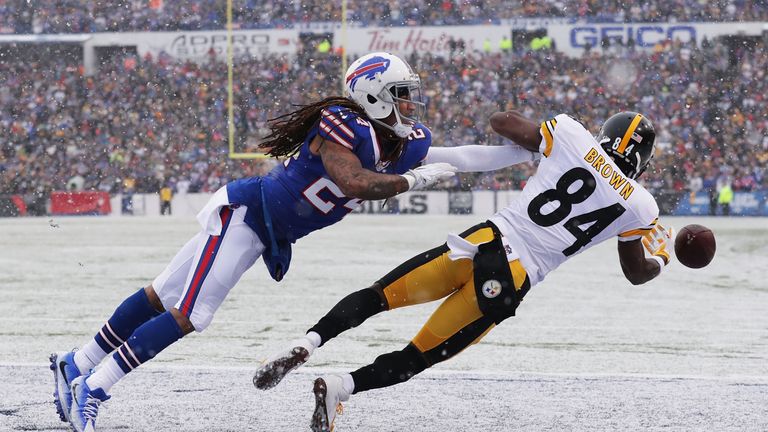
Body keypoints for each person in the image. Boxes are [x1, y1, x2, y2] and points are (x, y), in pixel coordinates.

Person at [49, 51, 538, 432]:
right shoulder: (343, 125)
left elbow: (465, 156)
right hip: (246, 217)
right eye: (402, 93)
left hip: (267, 230)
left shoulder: (400, 141)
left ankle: (78, 362)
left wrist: (522, 153)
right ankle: (95, 387)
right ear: (374, 95)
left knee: (160, 295)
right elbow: (353, 182)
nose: (411, 104)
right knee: (190, 313)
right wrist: (411, 182)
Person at [254, 110, 673, 432]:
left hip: (479, 242)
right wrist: (664, 258)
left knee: (379, 296)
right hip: (512, 277)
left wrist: (547, 143)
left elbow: (502, 121)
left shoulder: (573, 135)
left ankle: (307, 343)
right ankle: (341, 386)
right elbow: (636, 272)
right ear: (640, 158)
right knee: (415, 357)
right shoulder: (641, 205)